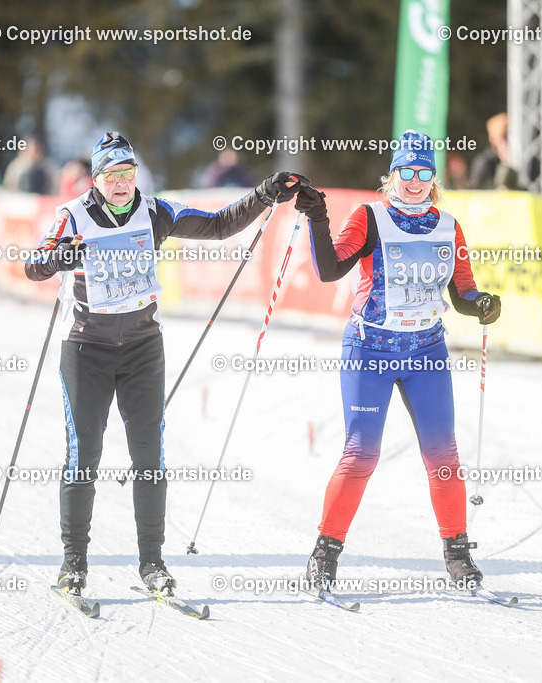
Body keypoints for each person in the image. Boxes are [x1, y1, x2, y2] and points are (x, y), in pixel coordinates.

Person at [25, 131, 305, 596]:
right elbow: (33, 264)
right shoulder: (73, 216)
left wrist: (263, 194)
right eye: (112, 175)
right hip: (85, 350)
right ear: (95, 179)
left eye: (128, 173)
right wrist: (59, 257)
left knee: (149, 460)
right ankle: (74, 562)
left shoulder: (154, 211)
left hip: (141, 350)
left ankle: (152, 563)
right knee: (83, 458)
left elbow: (218, 225)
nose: (121, 183)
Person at [295, 129, 502, 591]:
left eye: (423, 173)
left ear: (433, 180)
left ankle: (457, 555)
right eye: (405, 172)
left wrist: (480, 302)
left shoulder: (449, 226)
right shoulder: (369, 218)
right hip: (370, 349)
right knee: (361, 453)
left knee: (443, 455)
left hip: (426, 351)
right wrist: (316, 217)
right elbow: (330, 269)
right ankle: (324, 555)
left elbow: (462, 290)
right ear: (390, 177)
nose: (414, 181)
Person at [467, 112, 523, 190]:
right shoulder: (484, 162)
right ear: (495, 140)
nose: (507, 142)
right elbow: (474, 192)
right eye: (504, 137)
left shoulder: (521, 161)